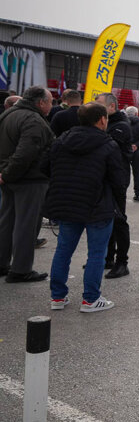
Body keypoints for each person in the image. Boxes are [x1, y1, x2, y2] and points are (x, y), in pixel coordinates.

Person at [44, 102, 127, 312]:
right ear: (102, 120)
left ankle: (57, 297)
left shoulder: (61, 141)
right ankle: (90, 299)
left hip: (67, 203)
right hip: (97, 205)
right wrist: (118, 204)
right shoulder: (108, 144)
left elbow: (45, 168)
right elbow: (119, 181)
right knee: (96, 254)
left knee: (63, 250)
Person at [0, 87, 55, 282]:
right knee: (26, 225)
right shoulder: (32, 120)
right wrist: (8, 174)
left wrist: (5, 174)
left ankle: (2, 263)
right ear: (40, 102)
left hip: (11, 177)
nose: (51, 105)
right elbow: (26, 153)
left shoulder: (9, 114)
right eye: (50, 101)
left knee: (7, 221)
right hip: (28, 179)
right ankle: (21, 270)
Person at [95, 93, 133, 279]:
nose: (96, 107)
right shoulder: (106, 124)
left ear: (111, 107)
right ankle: (108, 258)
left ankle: (122, 262)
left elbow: (107, 149)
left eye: (100, 104)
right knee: (105, 218)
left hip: (117, 179)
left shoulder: (121, 126)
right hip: (104, 178)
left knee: (119, 221)